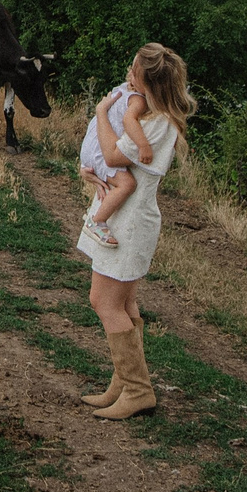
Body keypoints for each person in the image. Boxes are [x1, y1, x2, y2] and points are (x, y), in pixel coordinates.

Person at [75, 43, 196, 421]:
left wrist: (100, 112)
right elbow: (110, 159)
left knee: (104, 302)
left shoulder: (157, 124)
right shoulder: (150, 117)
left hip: (130, 223)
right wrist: (90, 169)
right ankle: (124, 384)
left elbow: (114, 155)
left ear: (150, 82)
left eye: (135, 72)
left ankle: (138, 390)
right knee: (124, 304)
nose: (129, 77)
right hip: (126, 218)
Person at [76, 76, 150, 248]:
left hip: (91, 146)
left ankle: (99, 213)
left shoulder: (121, 89)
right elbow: (128, 120)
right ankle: (97, 221)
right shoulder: (138, 100)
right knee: (127, 184)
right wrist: (143, 145)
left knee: (119, 183)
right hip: (101, 151)